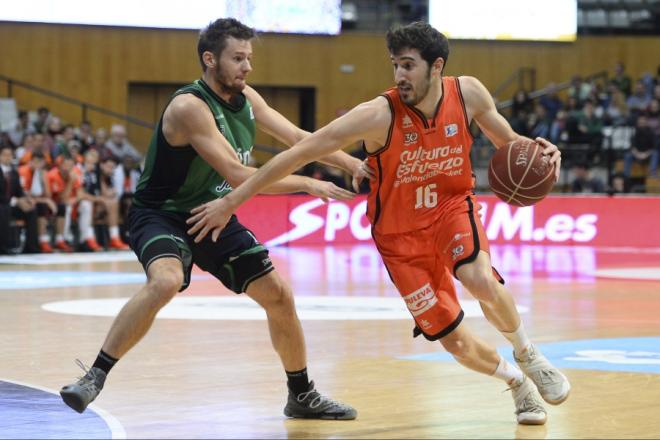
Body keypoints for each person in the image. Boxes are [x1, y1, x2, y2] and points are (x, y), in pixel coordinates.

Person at [189, 22, 571, 425]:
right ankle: (517, 384)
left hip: (451, 208)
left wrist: (542, 153)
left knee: (478, 279)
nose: (400, 76)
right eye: (395, 66)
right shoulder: (377, 115)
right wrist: (232, 200)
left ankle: (529, 354)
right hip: (399, 238)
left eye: (408, 66)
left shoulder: (468, 93)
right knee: (455, 343)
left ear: (436, 66)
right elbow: (300, 152)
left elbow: (509, 144)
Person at [60, 18, 364, 420]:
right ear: (209, 59)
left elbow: (298, 138)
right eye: (238, 58)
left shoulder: (247, 97)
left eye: (249, 58)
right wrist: (308, 183)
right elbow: (239, 176)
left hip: (215, 211)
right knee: (166, 281)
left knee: (279, 295)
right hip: (162, 215)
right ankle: (93, 377)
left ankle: (301, 395)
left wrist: (353, 164)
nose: (247, 67)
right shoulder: (190, 107)